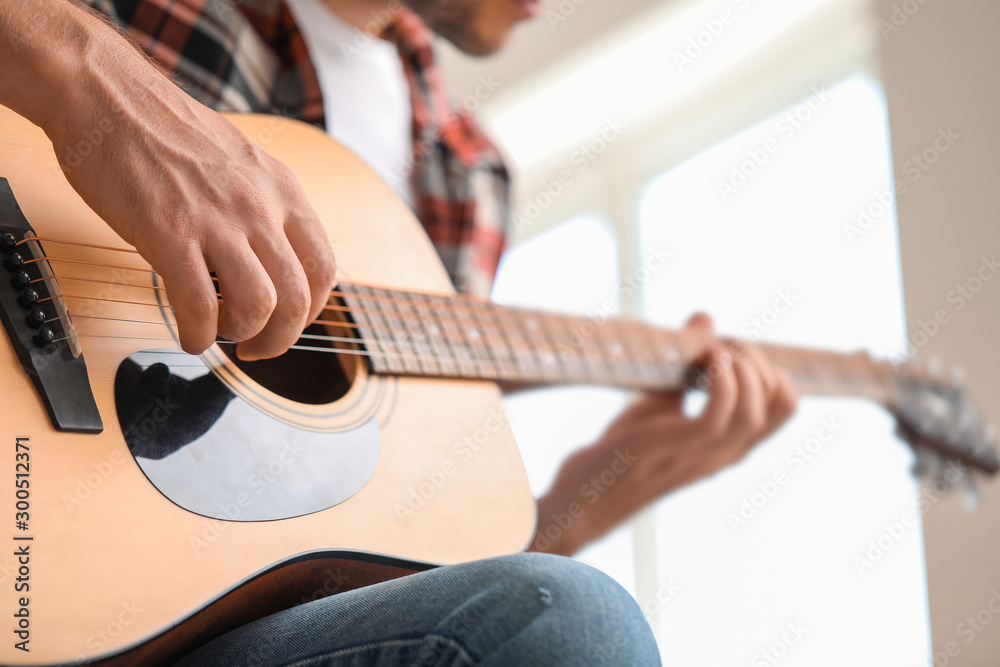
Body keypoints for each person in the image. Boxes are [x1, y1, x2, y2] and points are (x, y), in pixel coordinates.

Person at [0, 0, 797, 664]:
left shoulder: (471, 177)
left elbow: (381, 552)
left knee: (570, 619)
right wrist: (89, 79)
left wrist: (591, 493)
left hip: (145, 611)